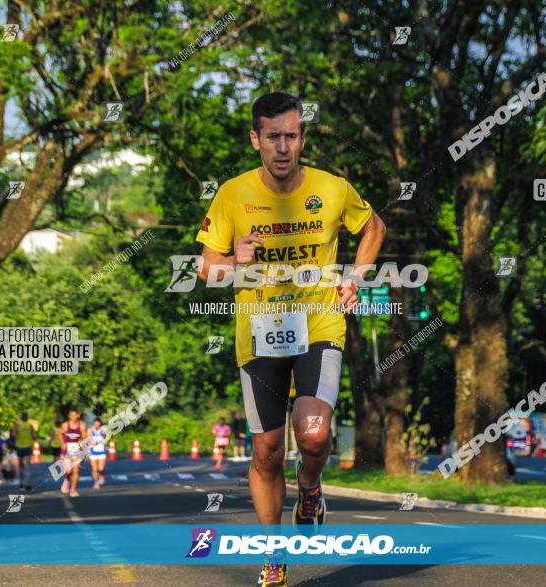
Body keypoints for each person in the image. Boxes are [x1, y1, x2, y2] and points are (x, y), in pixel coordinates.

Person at [194, 92, 385, 587]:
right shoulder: (232, 195)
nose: (283, 146)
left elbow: (374, 226)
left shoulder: (333, 188)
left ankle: (312, 488)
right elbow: (206, 270)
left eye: (292, 135)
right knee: (267, 452)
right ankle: (274, 557)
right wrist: (235, 260)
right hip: (258, 334)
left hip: (319, 324)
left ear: (302, 137)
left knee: (315, 433)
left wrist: (356, 277)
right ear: (256, 139)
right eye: (273, 136)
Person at [59, 408, 87, 497]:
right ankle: (67, 480)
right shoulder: (65, 425)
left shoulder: (82, 425)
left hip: (77, 449)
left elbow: (85, 438)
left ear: (78, 415)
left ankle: (73, 489)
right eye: (71, 415)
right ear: (69, 416)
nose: (73, 417)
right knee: (68, 471)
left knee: (76, 470)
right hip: (67, 448)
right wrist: (63, 443)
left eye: (75, 415)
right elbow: (60, 434)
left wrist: (82, 442)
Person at [12, 413, 37, 491]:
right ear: (27, 418)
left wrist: (18, 437)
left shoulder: (17, 425)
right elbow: (34, 437)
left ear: (21, 418)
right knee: (27, 465)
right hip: (28, 447)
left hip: (19, 447)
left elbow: (13, 435)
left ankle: (21, 484)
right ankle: (28, 483)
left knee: (20, 466)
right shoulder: (30, 426)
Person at [88, 419, 107, 489]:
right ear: (93, 424)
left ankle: (101, 474)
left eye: (98, 424)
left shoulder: (103, 430)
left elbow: (107, 437)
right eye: (95, 424)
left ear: (100, 424)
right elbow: (87, 440)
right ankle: (96, 482)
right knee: (95, 469)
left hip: (102, 452)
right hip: (93, 452)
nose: (96, 425)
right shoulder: (90, 430)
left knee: (101, 468)